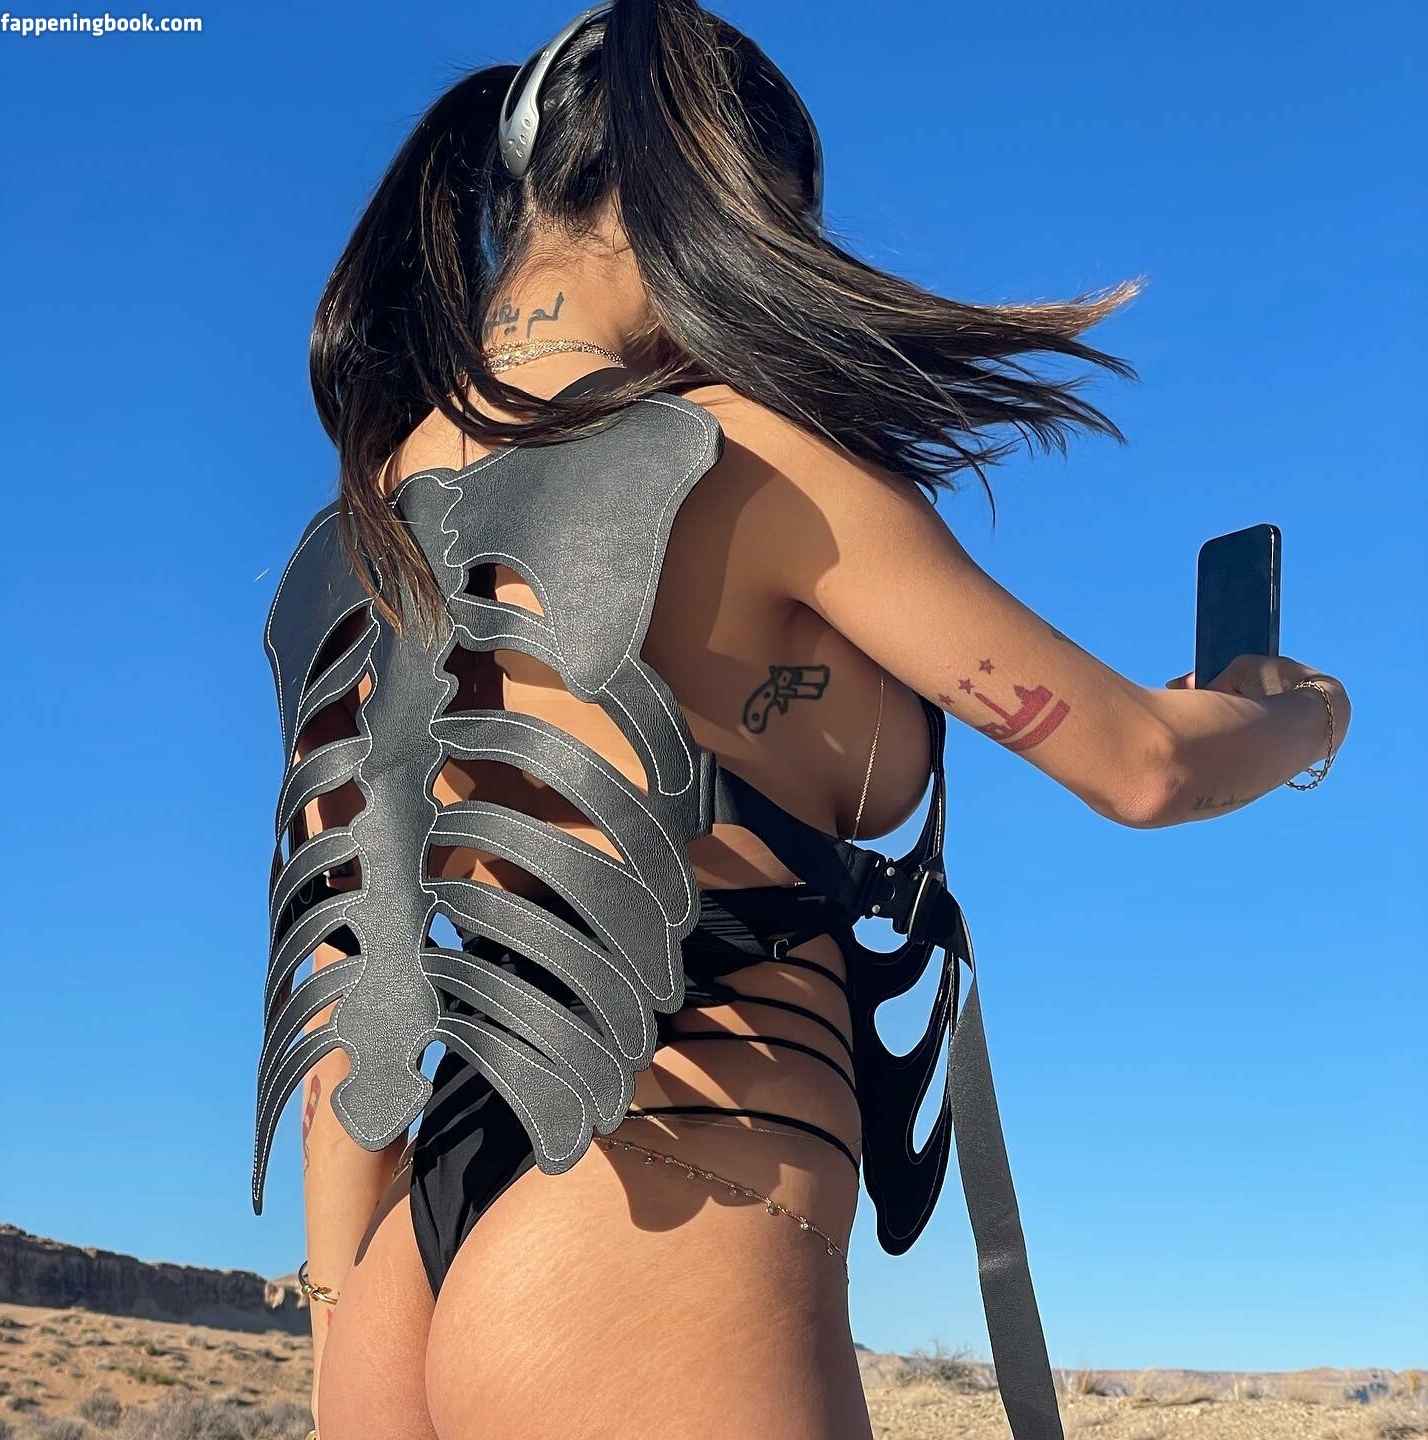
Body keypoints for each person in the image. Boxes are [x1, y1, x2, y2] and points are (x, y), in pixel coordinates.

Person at [260, 3, 1351, 1437]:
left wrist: (342, 1328)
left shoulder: (363, 523)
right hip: (667, 1206)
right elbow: (1144, 764)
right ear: (711, 186)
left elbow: (348, 980)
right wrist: (1294, 713)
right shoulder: (749, 455)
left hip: (414, 1248)